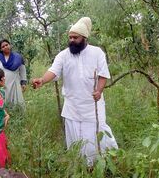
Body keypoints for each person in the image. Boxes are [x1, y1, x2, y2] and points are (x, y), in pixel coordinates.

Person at [31, 17, 118, 166]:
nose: (71, 40)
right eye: (70, 37)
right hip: (72, 106)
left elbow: (103, 74)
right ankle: (82, 166)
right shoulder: (63, 55)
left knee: (97, 133)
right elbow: (53, 71)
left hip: (93, 105)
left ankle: (104, 162)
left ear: (84, 38)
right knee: (77, 138)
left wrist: (98, 91)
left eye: (75, 37)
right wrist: (42, 80)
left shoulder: (97, 53)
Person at [0, 39, 27, 106]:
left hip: (15, 83)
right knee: (4, 103)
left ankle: (18, 114)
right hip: (2, 85)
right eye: (3, 46)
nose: (5, 47)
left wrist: (23, 83)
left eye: (6, 45)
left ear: (10, 45)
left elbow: (23, 71)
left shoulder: (18, 57)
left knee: (18, 102)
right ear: (1, 49)